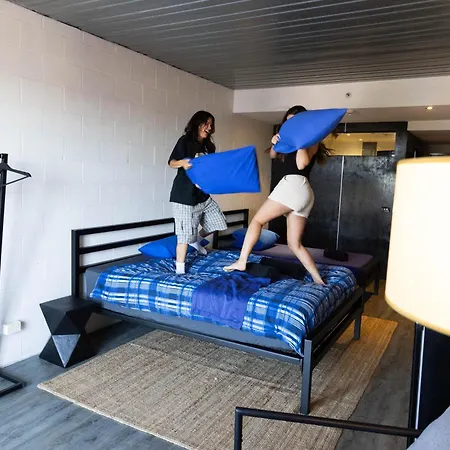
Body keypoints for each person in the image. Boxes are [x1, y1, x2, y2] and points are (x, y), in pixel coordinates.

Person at [224, 105, 332, 285]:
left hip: (294, 184)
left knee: (257, 221)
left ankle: (242, 261)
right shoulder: (291, 138)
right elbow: (274, 155)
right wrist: (275, 142)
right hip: (303, 192)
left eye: (294, 121)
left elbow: (301, 164)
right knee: (294, 244)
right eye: (288, 121)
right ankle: (318, 280)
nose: (290, 124)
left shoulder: (309, 139)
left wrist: (300, 142)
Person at [168, 110, 227, 274]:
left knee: (218, 221)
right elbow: (171, 162)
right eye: (206, 124)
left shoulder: (209, 146)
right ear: (197, 124)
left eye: (211, 125)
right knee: (184, 235)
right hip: (184, 195)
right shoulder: (185, 141)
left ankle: (196, 240)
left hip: (202, 194)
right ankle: (180, 270)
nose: (209, 128)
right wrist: (183, 163)